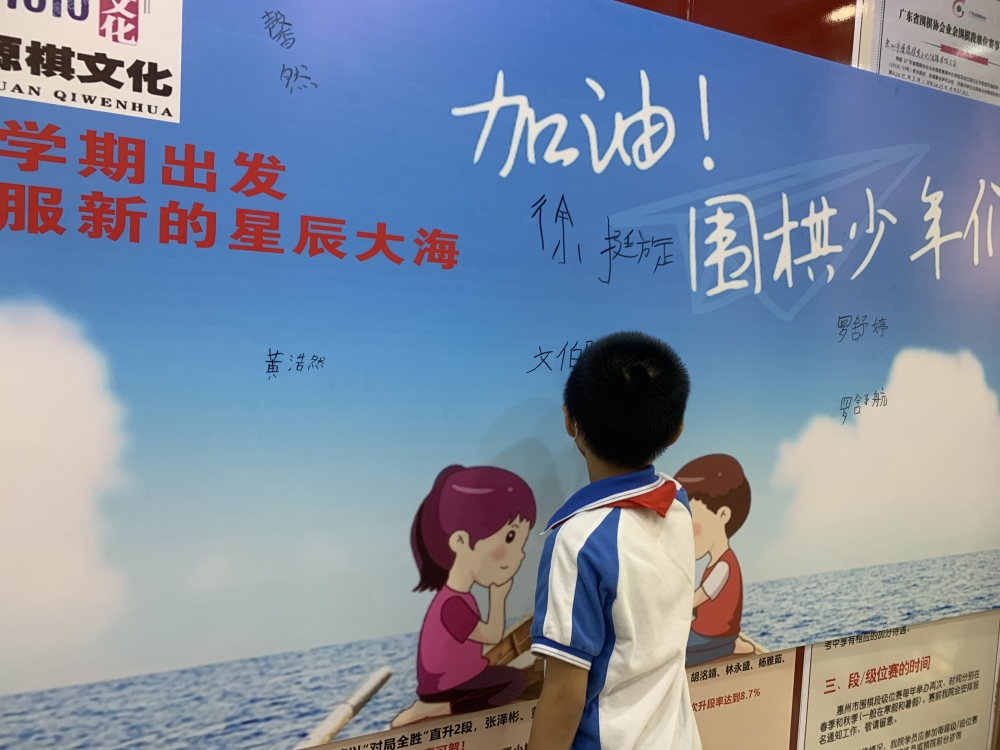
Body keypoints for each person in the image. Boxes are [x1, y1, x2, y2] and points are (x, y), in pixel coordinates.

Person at [528, 331, 701, 750]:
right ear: (676, 431)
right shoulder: (678, 501)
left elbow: (564, 695)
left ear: (569, 420)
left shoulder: (577, 542)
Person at [391, 465, 537, 728]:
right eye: (510, 538)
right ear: (460, 541)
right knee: (515, 682)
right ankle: (434, 709)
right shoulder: (452, 604)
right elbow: (492, 635)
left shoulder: (457, 598)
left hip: (456, 680)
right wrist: (497, 597)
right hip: (445, 689)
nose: (520, 554)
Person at [676, 454, 754, 667]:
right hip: (707, 632)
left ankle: (729, 646)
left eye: (691, 525)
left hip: (713, 637)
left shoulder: (724, 566)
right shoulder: (718, 562)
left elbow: (699, 598)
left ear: (723, 515)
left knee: (672, 651)